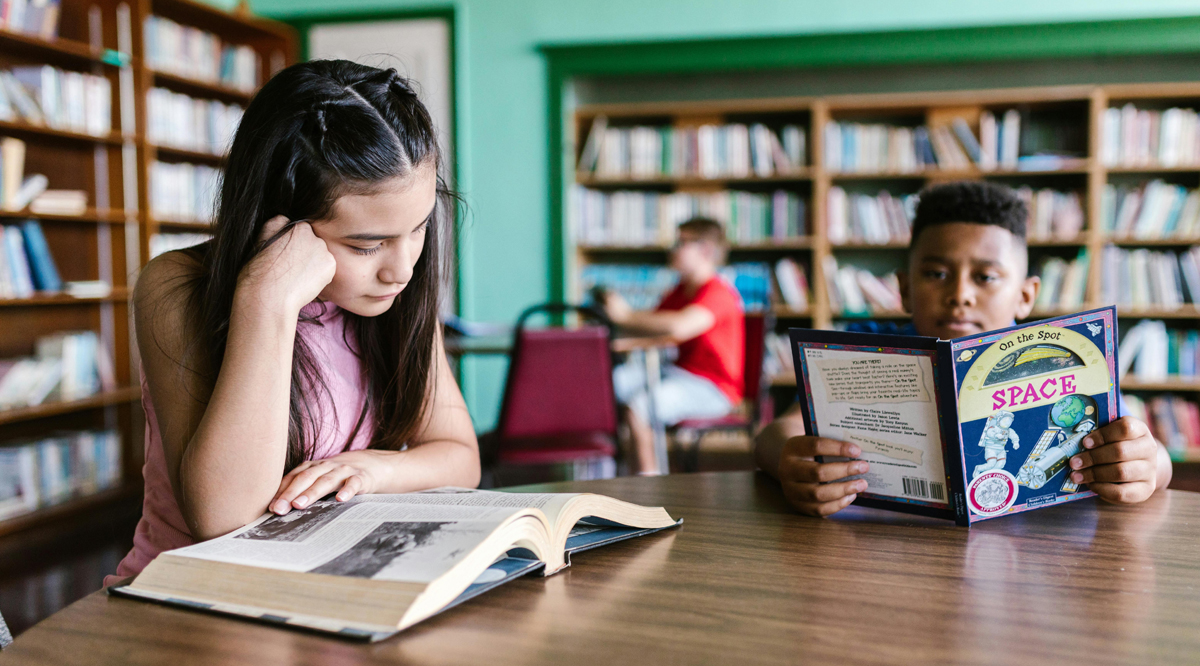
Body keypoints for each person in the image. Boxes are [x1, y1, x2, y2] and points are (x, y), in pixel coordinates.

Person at [109, 61, 479, 582]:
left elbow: (460, 455)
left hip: (326, 588)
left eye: (417, 228)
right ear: (279, 220)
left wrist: (375, 469)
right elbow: (223, 518)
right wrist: (267, 299)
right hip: (192, 599)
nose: (403, 267)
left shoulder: (392, 292)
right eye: (367, 245)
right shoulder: (176, 288)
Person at [755, 181, 1173, 516]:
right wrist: (790, 461)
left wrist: (1147, 465)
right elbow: (778, 432)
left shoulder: (1060, 357)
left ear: (1026, 296)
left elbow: (1150, 454)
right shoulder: (864, 348)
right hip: (887, 544)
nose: (960, 295)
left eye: (986, 277)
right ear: (903, 288)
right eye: (936, 273)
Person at [599, 217, 744, 474]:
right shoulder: (680, 291)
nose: (673, 249)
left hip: (713, 387)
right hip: (679, 374)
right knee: (610, 383)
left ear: (706, 250)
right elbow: (652, 327)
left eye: (682, 242)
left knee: (640, 406)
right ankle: (604, 471)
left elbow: (678, 326)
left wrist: (624, 315)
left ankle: (647, 484)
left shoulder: (718, 293)